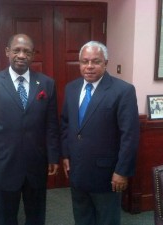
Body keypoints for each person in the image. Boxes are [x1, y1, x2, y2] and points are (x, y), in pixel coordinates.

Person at [0, 34, 60, 225]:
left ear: (32, 55)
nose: (21, 55)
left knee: (36, 215)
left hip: (37, 163)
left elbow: (51, 125)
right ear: (8, 52)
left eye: (27, 51)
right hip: (5, 164)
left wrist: (54, 156)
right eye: (17, 50)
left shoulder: (47, 84)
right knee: (6, 217)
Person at [60, 41, 140, 225]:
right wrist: (65, 154)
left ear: (106, 63)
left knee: (107, 220)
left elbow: (130, 135)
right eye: (84, 61)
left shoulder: (123, 91)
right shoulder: (71, 88)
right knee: (82, 218)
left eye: (95, 61)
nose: (89, 67)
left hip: (107, 175)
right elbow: (65, 123)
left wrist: (122, 171)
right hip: (77, 171)